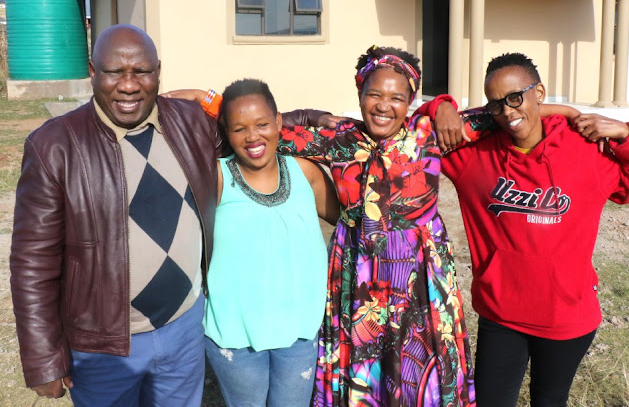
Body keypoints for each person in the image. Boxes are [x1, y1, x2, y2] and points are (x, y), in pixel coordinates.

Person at [193, 46, 476, 406]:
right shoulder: (341, 139)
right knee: (365, 376)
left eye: (396, 97)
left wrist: (444, 104)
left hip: (420, 280)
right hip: (358, 279)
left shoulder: (429, 134)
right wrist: (209, 99)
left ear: (411, 100)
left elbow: (503, 113)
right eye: (374, 93)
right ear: (359, 94)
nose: (383, 105)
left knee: (416, 374)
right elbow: (261, 129)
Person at [420, 52, 629, 407]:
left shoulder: (586, 150)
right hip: (501, 313)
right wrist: (440, 105)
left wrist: (626, 134)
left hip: (566, 316)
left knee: (550, 401)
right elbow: (419, 130)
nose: (507, 112)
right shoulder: (474, 157)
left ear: (539, 92)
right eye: (496, 104)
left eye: (515, 98)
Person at [10, 24, 222, 406]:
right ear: (93, 72)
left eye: (141, 71)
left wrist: (315, 120)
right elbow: (32, 262)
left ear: (158, 71)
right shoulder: (54, 146)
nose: (128, 85)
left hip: (185, 326)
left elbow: (255, 131)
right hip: (103, 348)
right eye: (114, 72)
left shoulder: (190, 122)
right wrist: (43, 358)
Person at [203, 78, 340, 407]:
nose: (252, 137)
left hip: (300, 332)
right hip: (235, 336)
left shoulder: (305, 172)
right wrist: (201, 96)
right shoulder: (215, 176)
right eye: (239, 129)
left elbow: (350, 225)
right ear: (225, 131)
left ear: (279, 122)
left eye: (262, 124)